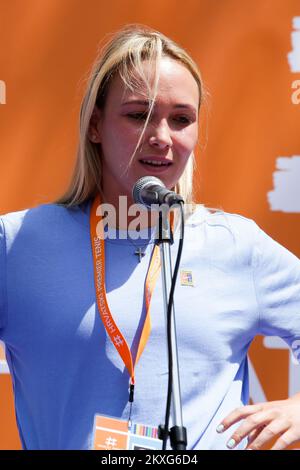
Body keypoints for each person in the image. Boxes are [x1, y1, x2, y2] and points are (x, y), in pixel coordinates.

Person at [0, 24, 300, 451]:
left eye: (181, 119)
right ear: (95, 126)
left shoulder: (234, 246)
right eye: (139, 115)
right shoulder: (18, 243)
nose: (160, 137)